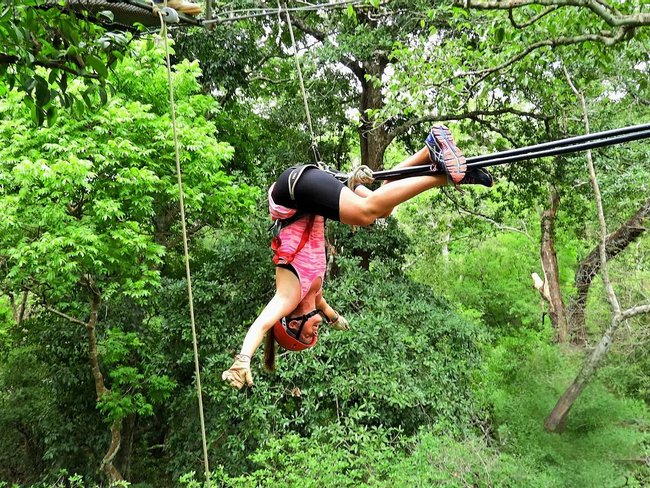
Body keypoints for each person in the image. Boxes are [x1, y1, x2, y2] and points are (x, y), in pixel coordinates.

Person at [222, 125, 493, 389]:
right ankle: (428, 150)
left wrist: (244, 360)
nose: (314, 334)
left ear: (292, 324)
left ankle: (447, 177)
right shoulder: (313, 297)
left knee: (365, 213)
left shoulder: (288, 297)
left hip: (293, 193)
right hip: (308, 197)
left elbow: (261, 325)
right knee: (379, 208)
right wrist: (338, 321)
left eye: (307, 335)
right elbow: (328, 313)